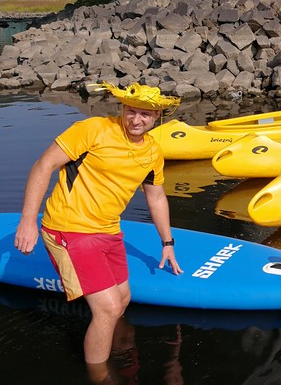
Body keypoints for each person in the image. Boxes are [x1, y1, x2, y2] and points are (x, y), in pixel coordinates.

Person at [13, 84, 183, 383]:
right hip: (69, 227)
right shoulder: (93, 129)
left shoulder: (153, 152)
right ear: (122, 109)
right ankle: (99, 377)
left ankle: (121, 360)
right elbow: (44, 166)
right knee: (108, 308)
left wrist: (167, 242)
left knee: (123, 298)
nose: (136, 120)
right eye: (131, 111)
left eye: (145, 114)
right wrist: (28, 221)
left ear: (157, 117)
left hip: (108, 230)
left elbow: (156, 197)